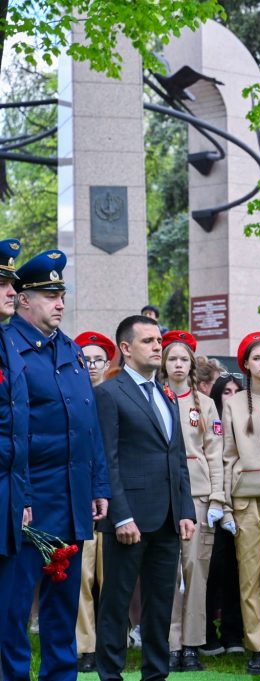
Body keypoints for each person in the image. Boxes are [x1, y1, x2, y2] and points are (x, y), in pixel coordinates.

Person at [1, 249, 111, 681]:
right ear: (23, 299)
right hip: (30, 500)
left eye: (62, 295)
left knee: (63, 607)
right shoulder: (9, 347)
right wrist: (22, 495)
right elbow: (14, 432)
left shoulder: (70, 349)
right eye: (50, 296)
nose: (60, 303)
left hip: (71, 496)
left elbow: (88, 425)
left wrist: (98, 486)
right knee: (13, 608)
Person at [94, 315, 196, 681]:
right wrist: (120, 516)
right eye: (148, 341)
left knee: (160, 605)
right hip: (129, 519)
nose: (157, 347)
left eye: (159, 341)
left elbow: (177, 457)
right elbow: (107, 459)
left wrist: (185, 509)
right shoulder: (109, 393)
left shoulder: (166, 393)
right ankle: (110, 675)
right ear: (126, 348)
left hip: (168, 517)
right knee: (116, 603)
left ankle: (155, 675)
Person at [162, 330, 226, 672]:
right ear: (163, 363)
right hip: (163, 494)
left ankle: (191, 644)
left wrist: (217, 497)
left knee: (196, 570)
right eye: (171, 358)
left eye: (183, 359)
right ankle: (171, 643)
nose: (177, 364)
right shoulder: (154, 396)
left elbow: (214, 453)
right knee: (168, 571)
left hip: (199, 494)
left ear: (191, 365)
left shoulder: (205, 403)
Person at [221, 331, 260, 675]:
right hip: (245, 495)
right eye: (257, 358)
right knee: (249, 575)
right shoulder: (233, 403)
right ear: (245, 363)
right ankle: (257, 647)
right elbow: (228, 454)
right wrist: (225, 502)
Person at [72, 331, 116, 674]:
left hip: (115, 497)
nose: (91, 366)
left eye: (98, 359)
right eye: (84, 360)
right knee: (82, 576)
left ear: (108, 362)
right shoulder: (70, 398)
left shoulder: (117, 397)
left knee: (113, 576)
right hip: (79, 496)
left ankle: (112, 643)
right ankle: (85, 646)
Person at [0, 239, 29, 670]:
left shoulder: (7, 343)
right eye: (3, 284)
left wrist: (20, 496)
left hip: (9, 490)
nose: (12, 292)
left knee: (9, 608)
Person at [203, 374, 246, 658]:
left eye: (236, 391)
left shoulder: (246, 421)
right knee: (211, 570)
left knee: (235, 571)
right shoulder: (209, 419)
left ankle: (233, 633)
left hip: (238, 502)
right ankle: (207, 633)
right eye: (226, 391)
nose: (231, 396)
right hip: (210, 504)